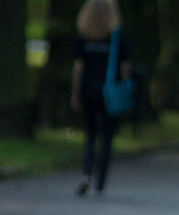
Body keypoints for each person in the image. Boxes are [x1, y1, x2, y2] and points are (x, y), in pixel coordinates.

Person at [71, 0, 130, 197]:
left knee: (90, 135)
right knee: (107, 137)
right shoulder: (117, 36)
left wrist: (76, 93)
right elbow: (125, 66)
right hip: (110, 92)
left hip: (88, 90)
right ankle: (101, 180)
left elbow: (78, 67)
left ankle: (86, 174)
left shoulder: (84, 35)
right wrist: (125, 87)